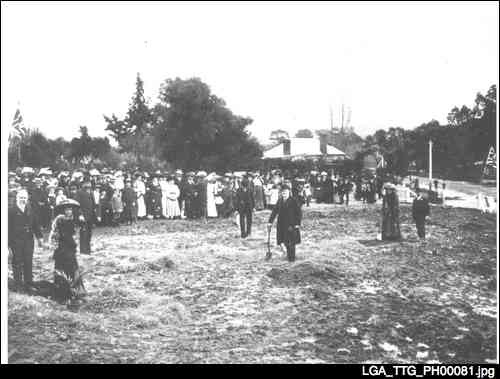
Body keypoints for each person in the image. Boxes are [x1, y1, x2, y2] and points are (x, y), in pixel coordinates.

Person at [49, 199, 86, 303]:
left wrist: (81, 221)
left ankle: (74, 291)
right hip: (62, 248)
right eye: (66, 209)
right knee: (62, 268)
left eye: (70, 209)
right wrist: (56, 244)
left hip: (70, 247)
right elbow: (56, 234)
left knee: (72, 268)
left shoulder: (74, 219)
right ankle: (62, 292)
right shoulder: (59, 220)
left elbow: (80, 230)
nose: (68, 211)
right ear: (63, 210)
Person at [8, 189, 44, 291]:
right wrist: (8, 244)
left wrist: (40, 237)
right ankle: (18, 284)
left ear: (27, 199)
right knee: (17, 261)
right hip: (16, 241)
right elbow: (7, 228)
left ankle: (29, 283)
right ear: (17, 198)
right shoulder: (11, 211)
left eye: (24, 198)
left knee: (28, 261)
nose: (23, 200)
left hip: (28, 240)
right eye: (21, 198)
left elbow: (35, 224)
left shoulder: (30, 209)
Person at [267, 185, 302, 262]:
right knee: (284, 241)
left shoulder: (293, 201)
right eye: (283, 192)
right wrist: (270, 222)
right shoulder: (279, 201)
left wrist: (297, 224)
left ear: (289, 192)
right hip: (281, 225)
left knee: (291, 242)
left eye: (285, 192)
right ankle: (289, 255)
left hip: (291, 224)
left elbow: (299, 213)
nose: (284, 194)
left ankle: (292, 258)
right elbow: (274, 212)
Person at [74, 181, 96, 254]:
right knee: (83, 233)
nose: (88, 184)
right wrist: (80, 214)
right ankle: (83, 251)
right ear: (83, 184)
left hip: (90, 216)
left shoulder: (91, 192)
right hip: (83, 216)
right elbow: (76, 204)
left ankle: (88, 250)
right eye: (86, 183)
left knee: (89, 234)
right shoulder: (79, 192)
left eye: (89, 183)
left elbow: (93, 204)